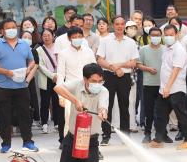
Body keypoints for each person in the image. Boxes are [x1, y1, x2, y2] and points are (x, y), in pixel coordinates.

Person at [0, 18, 39, 154]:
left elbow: (32, 61)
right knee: (4, 116)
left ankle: (28, 141)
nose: (11, 30)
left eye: (13, 27)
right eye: (8, 28)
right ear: (2, 31)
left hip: (21, 86)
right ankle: (6, 143)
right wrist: (6, 72)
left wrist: (28, 69)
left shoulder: (24, 44)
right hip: (3, 86)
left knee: (25, 115)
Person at [96, 15, 140, 144]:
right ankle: (106, 135)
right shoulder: (105, 40)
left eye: (122, 24)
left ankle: (125, 135)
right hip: (108, 76)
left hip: (124, 77)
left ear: (124, 26)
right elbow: (99, 60)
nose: (119, 26)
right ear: (112, 25)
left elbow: (133, 62)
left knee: (124, 106)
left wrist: (119, 66)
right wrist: (113, 68)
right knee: (107, 105)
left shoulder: (131, 42)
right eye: (117, 24)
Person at [150, 25, 187, 150]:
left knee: (181, 114)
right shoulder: (166, 48)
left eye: (171, 35)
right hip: (164, 88)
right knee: (160, 114)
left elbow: (176, 70)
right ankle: (158, 139)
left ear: (177, 34)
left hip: (176, 88)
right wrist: (164, 87)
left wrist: (168, 87)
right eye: (166, 35)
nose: (168, 37)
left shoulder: (179, 50)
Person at [55, 26, 96, 140]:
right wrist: (60, 96)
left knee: (89, 117)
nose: (77, 39)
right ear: (69, 39)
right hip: (70, 90)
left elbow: (95, 70)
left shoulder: (88, 52)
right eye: (74, 37)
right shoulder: (63, 53)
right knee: (69, 119)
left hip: (87, 89)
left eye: (79, 36)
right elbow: (60, 74)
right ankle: (66, 143)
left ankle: (89, 143)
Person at [137, 26, 163, 144]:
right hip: (148, 84)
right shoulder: (143, 49)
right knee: (149, 110)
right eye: (153, 35)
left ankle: (161, 134)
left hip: (162, 84)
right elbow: (138, 64)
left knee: (161, 111)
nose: (155, 37)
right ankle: (147, 133)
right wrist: (148, 69)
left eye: (158, 35)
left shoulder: (165, 49)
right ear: (149, 36)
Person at [35, 28, 61, 135]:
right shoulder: (39, 50)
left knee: (57, 102)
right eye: (44, 36)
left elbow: (61, 62)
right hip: (45, 79)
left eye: (48, 35)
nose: (46, 37)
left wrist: (57, 74)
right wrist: (52, 75)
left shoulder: (58, 47)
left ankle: (57, 123)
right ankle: (44, 123)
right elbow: (40, 66)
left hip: (58, 78)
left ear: (53, 35)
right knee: (45, 102)